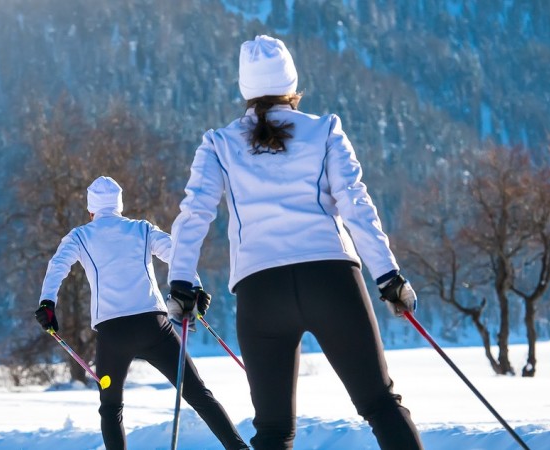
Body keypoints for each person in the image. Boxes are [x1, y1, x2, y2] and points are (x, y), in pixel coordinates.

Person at [165, 35, 424, 450]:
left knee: (273, 431)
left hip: (260, 291)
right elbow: (356, 205)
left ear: (245, 88)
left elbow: (194, 214)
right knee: (380, 404)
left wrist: (181, 282)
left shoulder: (219, 143)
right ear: (292, 83)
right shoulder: (325, 130)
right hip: (332, 281)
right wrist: (388, 276)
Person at [35, 176, 249, 450]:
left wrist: (47, 304)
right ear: (119, 206)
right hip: (154, 326)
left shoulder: (80, 236)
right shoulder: (141, 229)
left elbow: (57, 266)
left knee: (111, 408)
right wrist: (193, 288)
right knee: (198, 394)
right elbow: (176, 253)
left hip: (114, 333)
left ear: (91, 210)